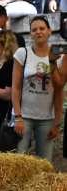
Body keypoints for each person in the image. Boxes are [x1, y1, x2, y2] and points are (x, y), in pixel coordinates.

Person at [12, 17, 63, 163]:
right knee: (18, 160)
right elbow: (15, 87)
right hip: (24, 116)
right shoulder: (23, 53)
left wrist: (57, 122)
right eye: (34, 30)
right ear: (30, 34)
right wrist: (17, 116)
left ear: (49, 31)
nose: (38, 32)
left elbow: (59, 89)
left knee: (44, 162)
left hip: (46, 118)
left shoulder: (58, 56)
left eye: (42, 28)